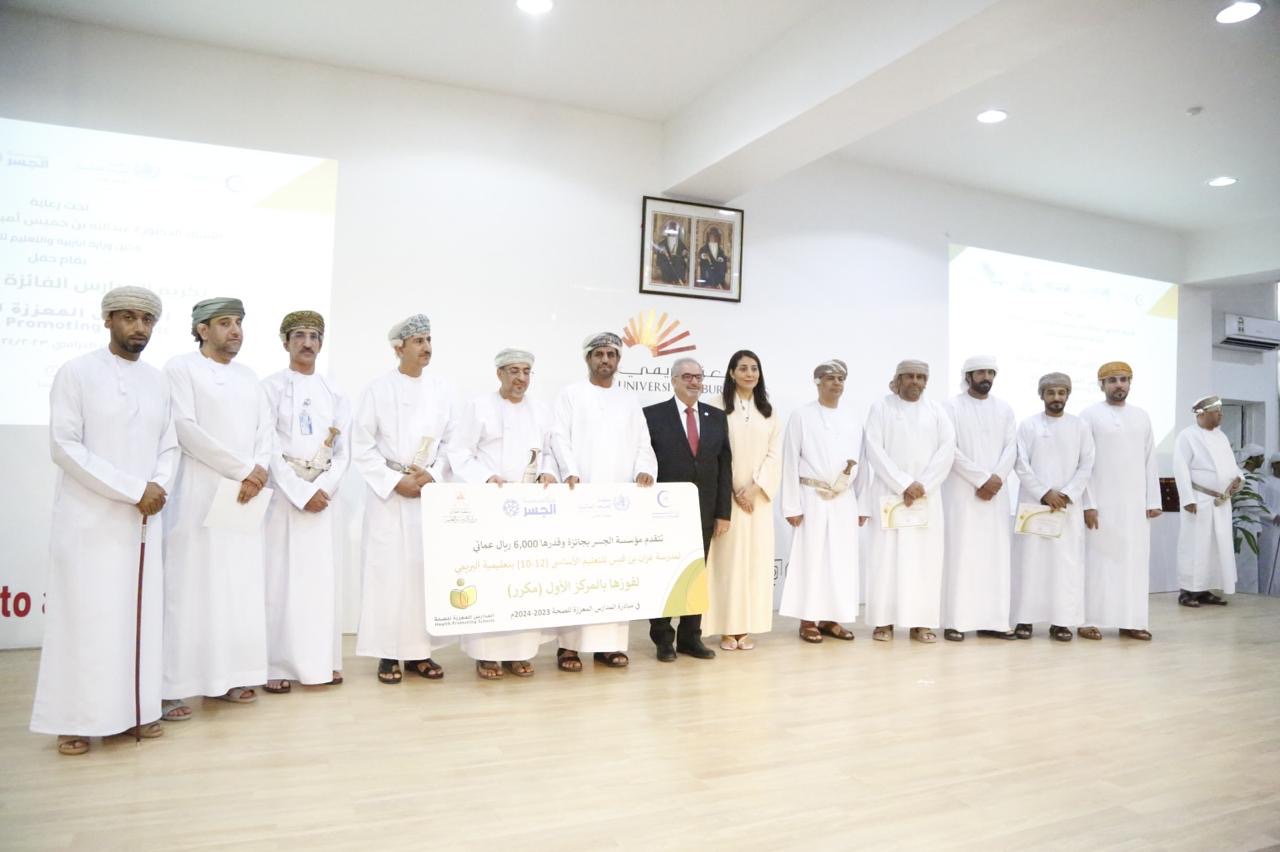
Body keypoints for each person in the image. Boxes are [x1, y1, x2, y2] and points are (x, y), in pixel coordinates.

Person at [31, 286, 178, 756]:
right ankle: (73, 719)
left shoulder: (159, 382)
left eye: (147, 320)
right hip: (89, 520)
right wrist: (133, 489)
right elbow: (64, 446)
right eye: (129, 317)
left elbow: (170, 445)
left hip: (142, 521)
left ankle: (133, 712)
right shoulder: (76, 372)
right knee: (84, 620)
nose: (139, 327)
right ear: (108, 320)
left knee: (135, 621)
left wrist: (157, 486)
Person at [162, 297, 273, 717]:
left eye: (239, 322)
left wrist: (258, 470)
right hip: (199, 493)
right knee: (191, 588)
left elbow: (265, 432)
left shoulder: (249, 377)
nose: (236, 330)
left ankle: (229, 678)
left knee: (236, 587)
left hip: (244, 497)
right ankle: (174, 686)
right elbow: (185, 428)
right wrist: (244, 469)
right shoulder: (180, 368)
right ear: (202, 329)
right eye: (225, 323)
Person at [352, 314, 455, 684]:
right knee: (388, 575)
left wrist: (433, 474)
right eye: (418, 341)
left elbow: (452, 442)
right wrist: (395, 481)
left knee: (422, 575)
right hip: (390, 498)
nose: (426, 347)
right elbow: (361, 445)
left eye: (428, 340)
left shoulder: (441, 389)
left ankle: (419, 654)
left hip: (427, 495)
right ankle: (387, 654)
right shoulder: (377, 390)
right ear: (399, 348)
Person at [548, 331, 657, 671]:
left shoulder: (629, 400)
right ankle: (568, 647)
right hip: (579, 497)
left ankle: (609, 646)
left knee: (615, 571)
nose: (605, 360)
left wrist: (643, 469)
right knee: (576, 571)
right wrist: (570, 471)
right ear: (588, 359)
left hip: (619, 503)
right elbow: (558, 437)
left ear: (618, 360)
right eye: (599, 354)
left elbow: (643, 442)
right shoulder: (571, 395)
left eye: (611, 354)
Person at [447, 347, 557, 679]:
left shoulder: (541, 410)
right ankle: (487, 655)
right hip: (489, 506)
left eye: (526, 372)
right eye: (513, 371)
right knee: (490, 578)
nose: (521, 378)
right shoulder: (479, 407)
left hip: (530, 510)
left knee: (524, 577)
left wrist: (548, 472)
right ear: (499, 374)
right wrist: (485, 477)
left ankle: (519, 653)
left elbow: (549, 451)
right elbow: (459, 452)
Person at [261, 311, 351, 693]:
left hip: (323, 501)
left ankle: (322, 662)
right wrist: (299, 492)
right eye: (299, 335)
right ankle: (276, 665)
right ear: (285, 342)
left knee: (319, 583)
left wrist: (322, 489)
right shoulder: (269, 388)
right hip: (283, 500)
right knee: (280, 582)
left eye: (314, 336)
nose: (307, 343)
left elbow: (344, 452)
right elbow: (266, 445)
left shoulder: (335, 392)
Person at [642, 357, 731, 662]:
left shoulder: (716, 417)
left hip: (704, 510)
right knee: (664, 574)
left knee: (696, 575)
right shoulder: (652, 415)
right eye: (687, 377)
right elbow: (644, 460)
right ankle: (663, 639)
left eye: (698, 377)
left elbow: (724, 466)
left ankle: (691, 638)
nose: (694, 382)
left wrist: (723, 513)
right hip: (664, 512)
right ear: (674, 380)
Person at [861, 359, 956, 643]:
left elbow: (947, 450)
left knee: (924, 562)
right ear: (898, 379)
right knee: (885, 561)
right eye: (909, 376)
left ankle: (921, 624)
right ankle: (883, 623)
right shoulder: (881, 408)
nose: (915, 381)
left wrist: (922, 485)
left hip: (926, 497)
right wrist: (903, 483)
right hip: (890, 495)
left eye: (920, 377)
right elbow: (874, 449)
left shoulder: (936, 411)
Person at [778, 359, 865, 643]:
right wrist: (791, 505)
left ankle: (831, 618)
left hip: (844, 500)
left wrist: (861, 505)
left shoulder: (853, 418)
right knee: (811, 558)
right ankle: (807, 620)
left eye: (841, 378)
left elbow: (863, 463)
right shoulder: (802, 415)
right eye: (830, 378)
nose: (836, 383)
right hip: (811, 498)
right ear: (817, 382)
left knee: (840, 560)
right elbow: (790, 460)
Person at [703, 350, 783, 651]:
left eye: (754, 369)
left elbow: (775, 455)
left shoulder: (769, 411)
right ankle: (727, 628)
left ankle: (746, 627)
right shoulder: (715, 406)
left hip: (757, 501)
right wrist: (737, 489)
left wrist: (754, 488)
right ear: (731, 373)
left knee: (754, 564)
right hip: (726, 500)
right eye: (743, 368)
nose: (750, 374)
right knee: (727, 564)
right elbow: (715, 452)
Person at [1079, 362, 1161, 641]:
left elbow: (1150, 459)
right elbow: (1083, 463)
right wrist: (1088, 503)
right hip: (1100, 505)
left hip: (1134, 506)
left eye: (1124, 379)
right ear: (1101, 384)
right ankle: (1088, 620)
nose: (1119, 385)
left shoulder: (1141, 416)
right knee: (1097, 563)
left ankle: (1132, 621)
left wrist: (1153, 500)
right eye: (1112, 380)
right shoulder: (1089, 415)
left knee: (1133, 563)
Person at [1010, 373, 1095, 641]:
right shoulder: (1028, 425)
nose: (1056, 398)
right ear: (1041, 395)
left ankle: (1061, 622)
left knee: (1065, 566)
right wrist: (1044, 492)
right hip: (1034, 504)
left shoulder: (1080, 426)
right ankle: (1024, 619)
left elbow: (1087, 463)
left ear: (1067, 395)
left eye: (1061, 392)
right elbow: (1020, 462)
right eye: (1051, 393)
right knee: (1030, 564)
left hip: (1066, 507)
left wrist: (1067, 494)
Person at [941, 356, 1017, 642]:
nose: (986, 377)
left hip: (996, 494)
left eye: (990, 372)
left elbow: (1011, 448)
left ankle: (994, 621)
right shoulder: (950, 407)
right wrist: (981, 478)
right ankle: (956, 621)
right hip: (962, 492)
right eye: (980, 372)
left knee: (996, 556)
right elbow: (949, 449)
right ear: (968, 376)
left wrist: (996, 478)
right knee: (962, 554)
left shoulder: (1004, 409)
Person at [1172, 395, 1242, 607]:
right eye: (1216, 411)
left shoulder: (1221, 436)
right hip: (1199, 501)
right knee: (1195, 545)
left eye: (1220, 411)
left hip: (1221, 502)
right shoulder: (1187, 436)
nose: (1221, 414)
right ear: (1201, 414)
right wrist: (1187, 498)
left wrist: (1239, 479)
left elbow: (1232, 466)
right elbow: (1180, 467)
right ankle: (1187, 591)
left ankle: (1205, 589)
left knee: (1215, 548)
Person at [1232, 443, 1267, 594]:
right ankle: (1242, 593)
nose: (1263, 460)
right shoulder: (1243, 477)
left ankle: (1250, 593)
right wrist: (1272, 516)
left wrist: (1258, 527)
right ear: (1252, 458)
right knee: (1244, 564)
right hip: (1242, 526)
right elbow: (1247, 503)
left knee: (1250, 563)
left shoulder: (1253, 477)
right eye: (1261, 457)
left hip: (1251, 526)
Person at [1258, 452, 1280, 596]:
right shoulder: (1265, 482)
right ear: (1274, 465)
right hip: (1271, 528)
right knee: (1269, 562)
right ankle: (1267, 594)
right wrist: (1273, 515)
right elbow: (1259, 504)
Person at [652, 219, 689, 285]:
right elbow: (658, 251)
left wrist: (684, 252)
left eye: (674, 229)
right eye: (671, 229)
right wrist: (661, 251)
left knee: (678, 262)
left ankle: (677, 280)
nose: (672, 232)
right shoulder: (662, 243)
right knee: (666, 265)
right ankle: (668, 280)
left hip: (677, 262)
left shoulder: (681, 243)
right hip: (666, 261)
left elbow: (685, 251)